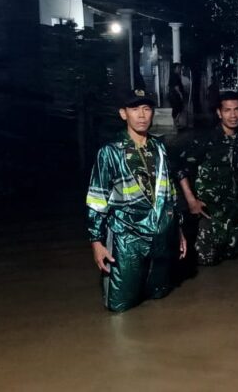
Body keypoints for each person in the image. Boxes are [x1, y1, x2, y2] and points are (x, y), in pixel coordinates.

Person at [86, 87, 187, 312]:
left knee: (158, 298)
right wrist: (96, 241)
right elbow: (97, 198)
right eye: (134, 109)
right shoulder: (110, 152)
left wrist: (177, 230)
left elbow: (169, 193)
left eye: (146, 109)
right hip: (127, 239)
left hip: (161, 236)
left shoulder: (160, 148)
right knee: (120, 306)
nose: (142, 115)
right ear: (123, 114)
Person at [175, 91, 238, 266]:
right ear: (219, 113)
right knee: (205, 269)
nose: (233, 115)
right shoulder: (206, 141)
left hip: (235, 220)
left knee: (233, 268)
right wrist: (191, 201)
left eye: (237, 110)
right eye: (227, 110)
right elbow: (179, 167)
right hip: (208, 219)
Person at [168, 63, 187, 129]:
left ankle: (176, 122)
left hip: (174, 95)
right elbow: (176, 87)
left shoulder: (174, 76)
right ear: (175, 69)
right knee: (178, 108)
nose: (179, 69)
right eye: (178, 68)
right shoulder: (175, 76)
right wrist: (180, 94)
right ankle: (175, 122)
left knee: (177, 108)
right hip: (175, 95)